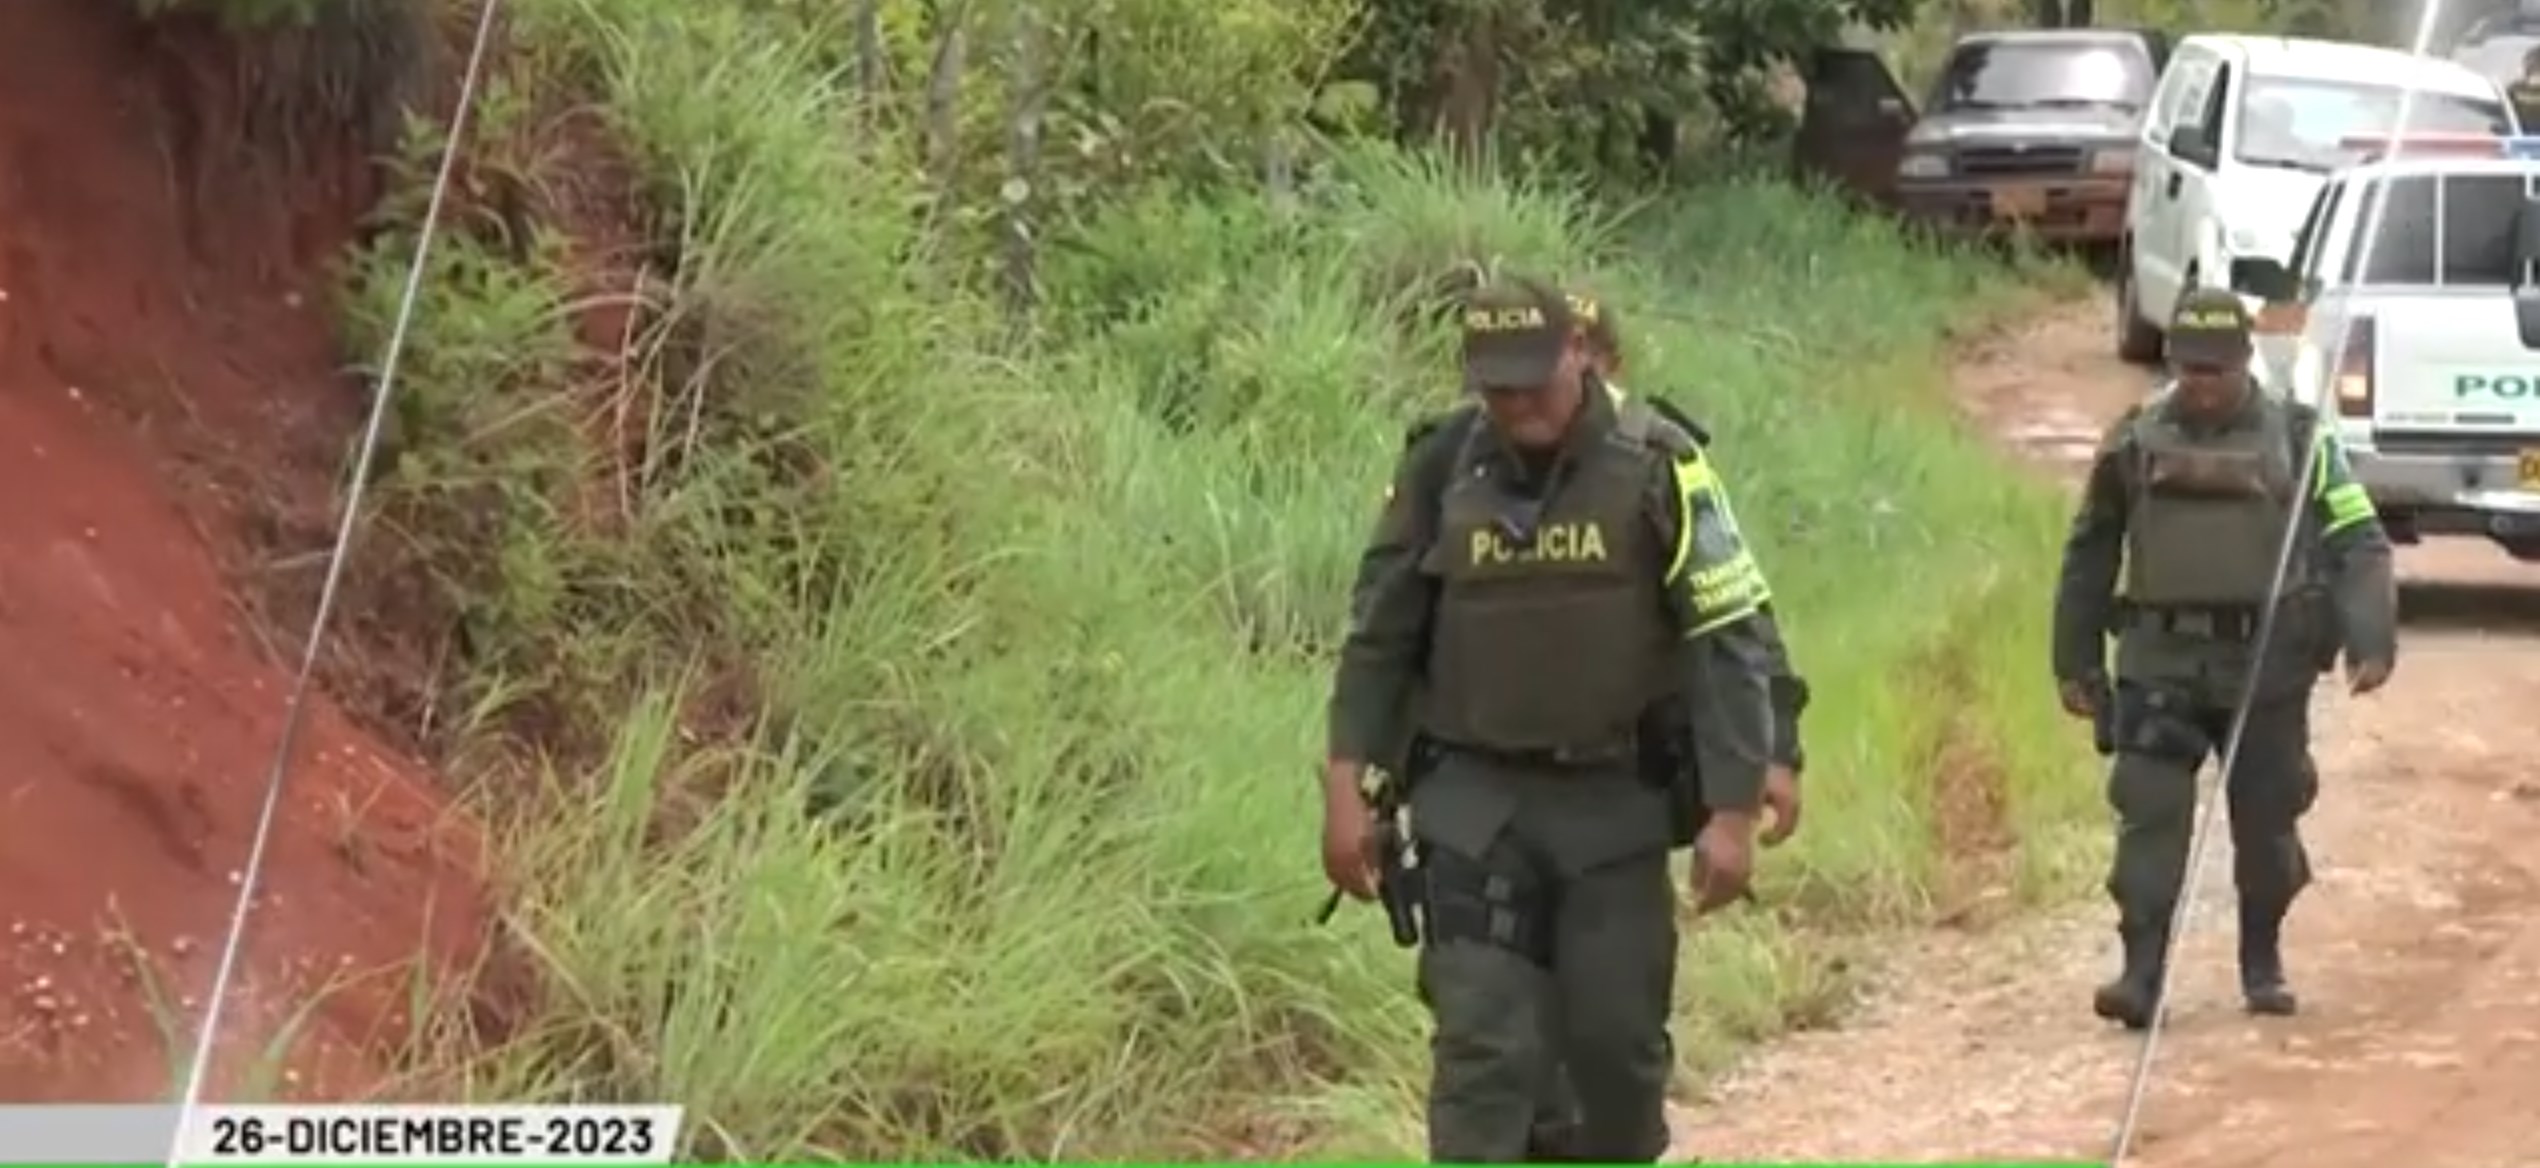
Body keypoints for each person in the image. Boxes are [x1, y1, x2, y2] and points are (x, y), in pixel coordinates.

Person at [1322, 276, 1794, 1162]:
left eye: (1534, 382)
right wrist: (1345, 783)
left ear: (1579, 352)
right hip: (1473, 800)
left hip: (1612, 804)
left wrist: (1733, 811)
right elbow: (1379, 634)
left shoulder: (1660, 462)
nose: (1517, 405)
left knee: (1613, 1053)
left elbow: (1728, 636)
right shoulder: (1437, 465)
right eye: (1496, 389)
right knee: (1482, 1045)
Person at [2051, 287, 2397, 1029]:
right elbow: (2089, 552)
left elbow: (2358, 539)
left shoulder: (2303, 441)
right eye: (2190, 368)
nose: (2202, 384)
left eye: (2217, 369)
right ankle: (2140, 974)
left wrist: (2370, 638)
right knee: (2148, 817)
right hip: (2158, 661)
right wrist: (2075, 659)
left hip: (2266, 667)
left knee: (2267, 824)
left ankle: (2261, 959)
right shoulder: (2134, 442)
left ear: (2246, 362)